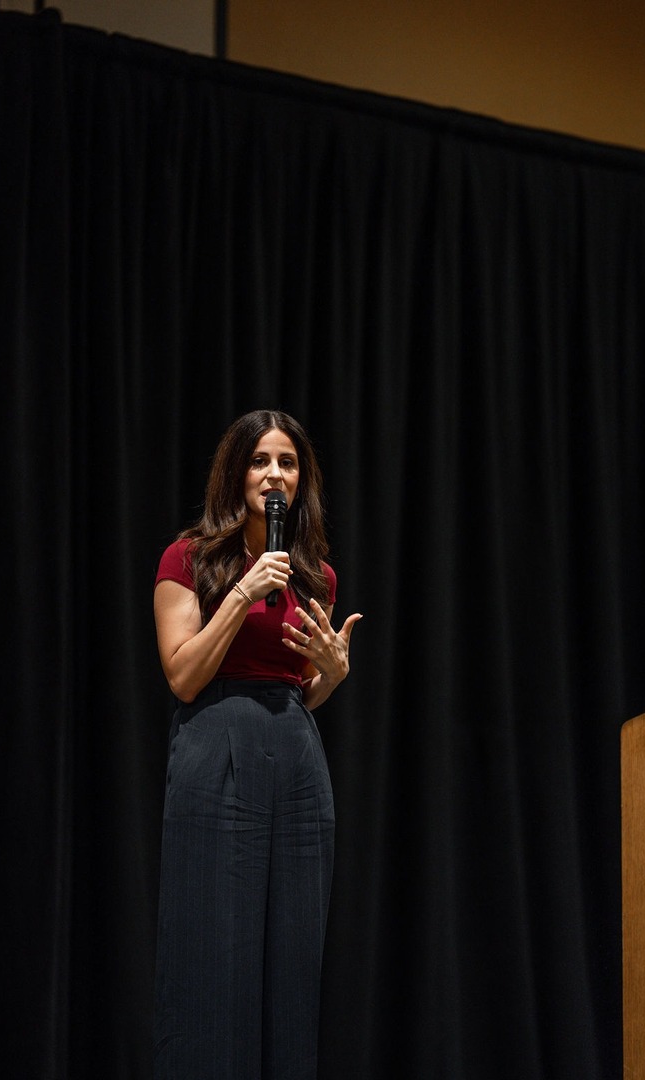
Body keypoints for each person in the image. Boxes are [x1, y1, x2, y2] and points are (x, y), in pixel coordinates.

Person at [152, 409, 362, 1080]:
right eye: (260, 460)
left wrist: (330, 675)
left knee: (293, 963)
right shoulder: (188, 559)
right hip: (217, 746)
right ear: (236, 472)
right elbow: (183, 676)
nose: (274, 473)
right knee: (216, 956)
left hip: (295, 755)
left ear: (303, 482)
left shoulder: (316, 577)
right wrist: (242, 592)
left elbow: (302, 687)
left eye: (288, 463)